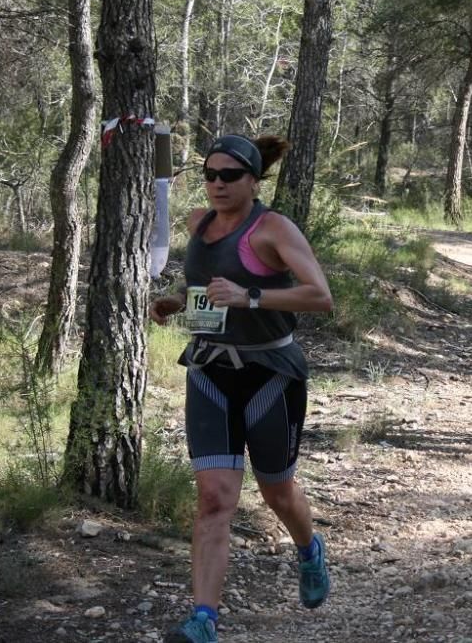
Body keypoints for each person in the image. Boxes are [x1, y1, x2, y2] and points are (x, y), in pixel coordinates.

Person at [151, 134, 333, 643]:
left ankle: (308, 550)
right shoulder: (197, 225)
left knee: (276, 491)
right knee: (214, 498)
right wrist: (174, 303)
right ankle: (203, 619)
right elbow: (205, 294)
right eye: (210, 175)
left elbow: (321, 296)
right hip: (209, 370)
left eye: (230, 176)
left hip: (270, 373)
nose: (217, 184)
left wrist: (250, 297)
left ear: (254, 181)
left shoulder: (272, 229)